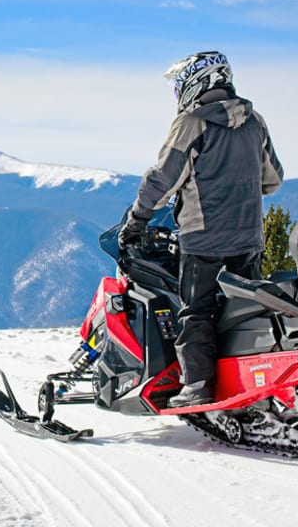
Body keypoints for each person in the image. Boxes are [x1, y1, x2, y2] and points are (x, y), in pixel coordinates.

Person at [118, 51, 284, 408]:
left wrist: (137, 219)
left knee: (196, 311)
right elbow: (273, 179)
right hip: (249, 237)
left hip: (203, 238)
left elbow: (163, 178)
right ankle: (248, 384)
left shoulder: (192, 122)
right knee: (242, 312)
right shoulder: (254, 121)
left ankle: (197, 386)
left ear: (195, 81)